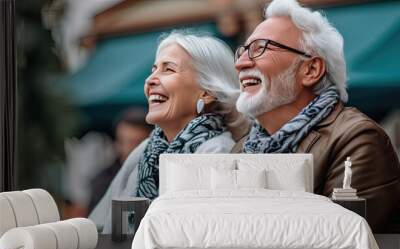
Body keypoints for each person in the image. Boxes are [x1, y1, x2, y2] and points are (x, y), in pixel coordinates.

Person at [232, 0, 400, 232]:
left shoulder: (357, 139)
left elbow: (336, 244)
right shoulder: (242, 149)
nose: (241, 63)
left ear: (310, 71)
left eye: (260, 48)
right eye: (242, 51)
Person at [90, 31, 248, 233]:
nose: (150, 80)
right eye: (154, 69)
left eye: (168, 70)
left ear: (207, 92)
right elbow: (99, 224)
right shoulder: (146, 149)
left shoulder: (218, 154)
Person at [87, 108, 152, 213]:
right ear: (117, 144)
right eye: (129, 143)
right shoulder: (103, 182)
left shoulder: (161, 176)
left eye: (139, 143)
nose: (135, 150)